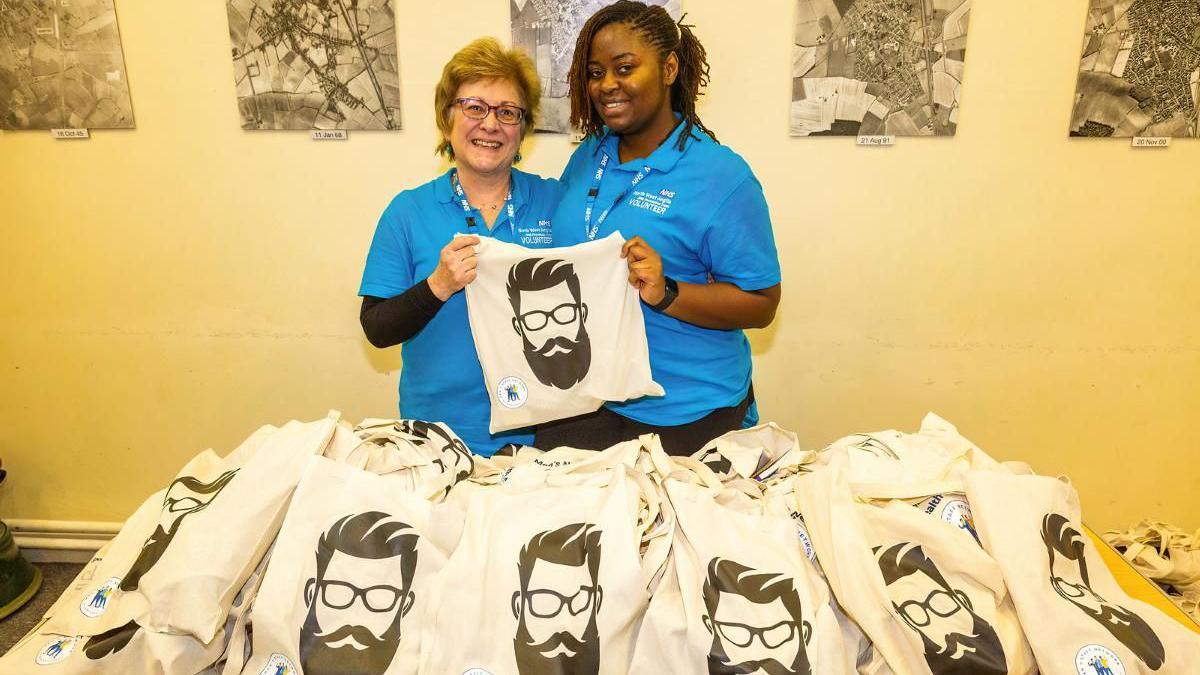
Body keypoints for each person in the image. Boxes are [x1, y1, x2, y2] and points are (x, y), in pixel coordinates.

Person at [537, 1, 782, 455]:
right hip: (587, 397)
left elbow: (761, 304)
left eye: (624, 67)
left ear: (669, 68)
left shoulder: (721, 177)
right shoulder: (589, 155)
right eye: (594, 73)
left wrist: (667, 291)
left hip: (686, 412)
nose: (607, 84)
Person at [358, 38, 561, 457]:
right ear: (446, 118)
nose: (490, 124)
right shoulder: (408, 211)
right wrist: (437, 285)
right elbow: (376, 329)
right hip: (435, 437)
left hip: (539, 437)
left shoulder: (557, 202)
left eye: (507, 112)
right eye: (474, 107)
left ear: (523, 129)